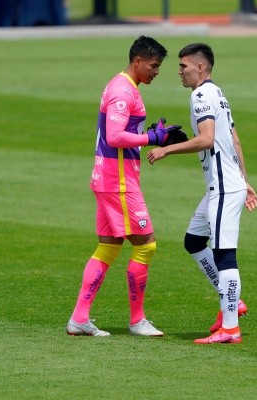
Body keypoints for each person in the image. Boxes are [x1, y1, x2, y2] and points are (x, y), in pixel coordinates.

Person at [147, 43, 257, 345]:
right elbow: (234, 140)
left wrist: (167, 149)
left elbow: (208, 140)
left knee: (225, 253)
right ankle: (232, 304)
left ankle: (231, 327)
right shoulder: (218, 94)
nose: (179, 72)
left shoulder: (201, 95)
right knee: (194, 240)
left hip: (223, 187)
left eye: (183, 66)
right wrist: (245, 180)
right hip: (224, 185)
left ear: (200, 67)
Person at [66, 36, 172, 338]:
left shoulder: (122, 86)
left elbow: (122, 131)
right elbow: (115, 136)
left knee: (109, 246)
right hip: (119, 182)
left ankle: (79, 318)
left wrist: (150, 133)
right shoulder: (123, 91)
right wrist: (151, 139)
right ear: (137, 61)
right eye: (153, 66)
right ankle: (137, 320)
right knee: (146, 244)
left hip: (108, 177)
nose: (156, 72)